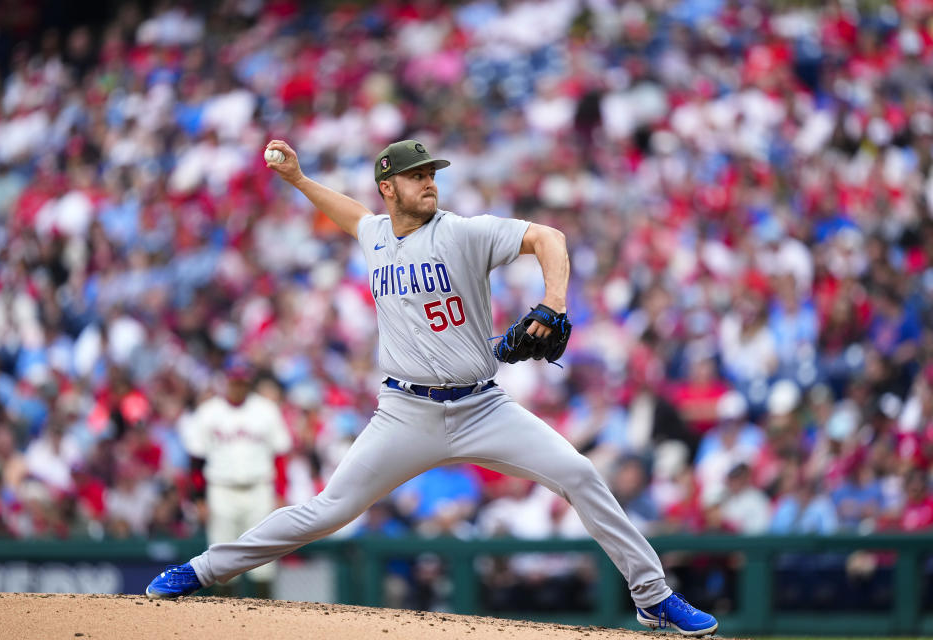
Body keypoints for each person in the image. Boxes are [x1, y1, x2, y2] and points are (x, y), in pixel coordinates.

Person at [146, 139, 718, 635]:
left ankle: (653, 598)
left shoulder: (464, 234)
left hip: (481, 406)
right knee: (326, 510)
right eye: (417, 176)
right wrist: (296, 179)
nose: (429, 183)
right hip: (404, 413)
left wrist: (553, 302)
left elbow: (549, 237)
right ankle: (199, 571)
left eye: (432, 174)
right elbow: (349, 214)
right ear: (388, 187)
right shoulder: (374, 233)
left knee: (581, 474)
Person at [178, 358, 291, 597]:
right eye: (234, 381)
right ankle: (225, 622)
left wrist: (280, 492)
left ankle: (265, 620)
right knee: (222, 558)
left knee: (264, 562)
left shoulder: (266, 409)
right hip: (221, 490)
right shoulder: (208, 412)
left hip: (259, 488)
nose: (238, 386)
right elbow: (196, 461)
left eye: (243, 381)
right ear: (226, 381)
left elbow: (280, 456)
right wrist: (199, 498)